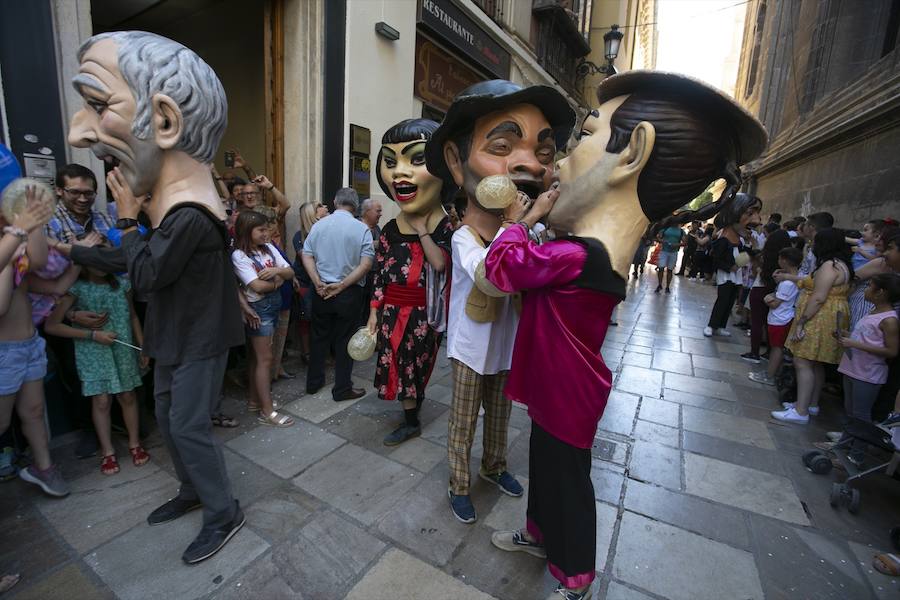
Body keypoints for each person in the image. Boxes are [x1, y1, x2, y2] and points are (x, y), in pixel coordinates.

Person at [483, 71, 767, 600]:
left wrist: (520, 221)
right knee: (548, 470)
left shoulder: (577, 254)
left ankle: (576, 577)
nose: (559, 161)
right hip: (560, 388)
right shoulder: (585, 252)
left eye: (583, 137)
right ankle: (538, 534)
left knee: (567, 483)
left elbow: (503, 269)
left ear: (633, 152)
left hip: (565, 392)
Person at [69, 31, 245, 563]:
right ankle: (194, 492)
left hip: (197, 340)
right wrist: (75, 252)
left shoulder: (191, 214)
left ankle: (223, 512)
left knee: (187, 426)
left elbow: (144, 273)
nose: (81, 132)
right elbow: (137, 259)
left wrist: (125, 217)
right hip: (177, 338)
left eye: (97, 105)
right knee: (169, 420)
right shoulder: (176, 214)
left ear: (165, 121)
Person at [425, 80, 575, 524]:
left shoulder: (528, 234)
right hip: (472, 348)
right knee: (464, 420)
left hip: (508, 345)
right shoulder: (462, 237)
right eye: (504, 145)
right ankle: (458, 483)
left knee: (500, 417)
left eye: (543, 155)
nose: (528, 164)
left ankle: (494, 466)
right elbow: (493, 278)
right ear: (457, 162)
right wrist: (525, 219)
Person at [367, 119, 453, 446]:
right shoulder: (388, 228)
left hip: (422, 314)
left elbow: (440, 263)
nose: (399, 172)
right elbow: (380, 272)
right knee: (397, 365)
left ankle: (411, 416)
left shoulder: (444, 226)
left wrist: (422, 230)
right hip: (391, 309)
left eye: (416, 159)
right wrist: (374, 311)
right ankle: (410, 417)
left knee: (414, 366)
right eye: (390, 162)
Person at [44, 260, 150, 474]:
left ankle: (134, 443)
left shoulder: (122, 284)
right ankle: (107, 451)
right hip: (92, 353)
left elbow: (132, 315)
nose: (100, 261)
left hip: (122, 350)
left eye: (104, 255)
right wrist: (92, 334)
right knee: (101, 400)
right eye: (94, 257)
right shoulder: (75, 289)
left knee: (128, 395)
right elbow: (52, 325)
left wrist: (142, 346)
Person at [0, 183, 67, 497]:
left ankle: (44, 467)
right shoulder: (7, 243)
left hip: (29, 345)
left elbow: (39, 261)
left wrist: (35, 220)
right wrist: (13, 243)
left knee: (35, 410)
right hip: (4, 353)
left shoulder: (12, 236)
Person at [771, 228, 853, 424]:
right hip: (829, 314)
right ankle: (810, 403)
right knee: (815, 362)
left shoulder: (829, 266)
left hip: (819, 317)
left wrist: (802, 321)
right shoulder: (841, 265)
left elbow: (818, 297)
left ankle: (801, 411)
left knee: (803, 361)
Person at [301, 188, 374, 401]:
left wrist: (316, 281)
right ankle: (342, 388)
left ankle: (313, 383)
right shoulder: (361, 229)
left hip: (322, 290)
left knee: (318, 337)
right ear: (356, 205)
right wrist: (342, 285)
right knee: (345, 341)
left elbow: (307, 255)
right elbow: (366, 264)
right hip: (348, 292)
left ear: (334, 201)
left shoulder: (318, 226)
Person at [827, 273, 900, 464]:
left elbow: (891, 351)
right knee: (851, 413)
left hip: (868, 374)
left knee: (861, 416)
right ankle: (843, 448)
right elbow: (866, 337)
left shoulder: (889, 320)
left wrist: (854, 343)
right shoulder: (873, 312)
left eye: (870, 286)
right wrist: (845, 334)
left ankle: (855, 456)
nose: (866, 290)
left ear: (881, 292)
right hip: (853, 368)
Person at [231, 211, 295, 426]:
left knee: (257, 358)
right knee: (264, 359)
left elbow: (290, 272)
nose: (266, 233)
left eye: (266, 228)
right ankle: (267, 412)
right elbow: (256, 285)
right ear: (246, 232)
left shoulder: (268, 249)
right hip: (260, 310)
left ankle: (254, 401)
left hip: (271, 306)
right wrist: (277, 282)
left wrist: (277, 272)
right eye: (261, 229)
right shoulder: (239, 255)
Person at [704, 194, 762, 337]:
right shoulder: (722, 239)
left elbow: (742, 259)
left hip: (736, 276)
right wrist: (729, 267)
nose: (757, 220)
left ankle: (721, 326)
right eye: (750, 213)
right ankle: (711, 325)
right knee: (722, 300)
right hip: (725, 276)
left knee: (730, 301)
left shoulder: (741, 241)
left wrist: (752, 247)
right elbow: (716, 259)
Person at [749, 246, 802, 385]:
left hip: (780, 319)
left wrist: (767, 298)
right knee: (776, 347)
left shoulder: (787, 284)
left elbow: (775, 303)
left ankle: (770, 375)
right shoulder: (795, 278)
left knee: (776, 348)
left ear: (784, 261)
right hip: (782, 317)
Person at [742, 229, 794, 363]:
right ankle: (770, 352)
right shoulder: (787, 258)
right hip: (776, 291)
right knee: (769, 323)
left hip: (759, 288)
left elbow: (753, 271)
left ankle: (754, 352)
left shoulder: (763, 256)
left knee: (756, 323)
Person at [45, 163, 116, 244]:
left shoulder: (108, 220)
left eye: (88, 193)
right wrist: (72, 250)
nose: (82, 199)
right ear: (59, 191)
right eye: (74, 192)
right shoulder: (46, 222)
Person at [291, 202, 323, 364]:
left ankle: (318, 353)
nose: (324, 208)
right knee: (305, 318)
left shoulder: (323, 232)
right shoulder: (299, 236)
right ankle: (306, 353)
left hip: (320, 282)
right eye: (319, 207)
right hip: (304, 283)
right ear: (312, 214)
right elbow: (306, 258)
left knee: (319, 319)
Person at [655, 224, 683, 293]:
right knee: (661, 268)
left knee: (670, 270)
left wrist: (677, 245)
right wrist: (662, 241)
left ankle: (667, 286)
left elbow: (685, 242)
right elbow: (658, 237)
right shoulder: (665, 229)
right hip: (664, 251)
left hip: (674, 252)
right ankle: (660, 284)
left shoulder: (681, 231)